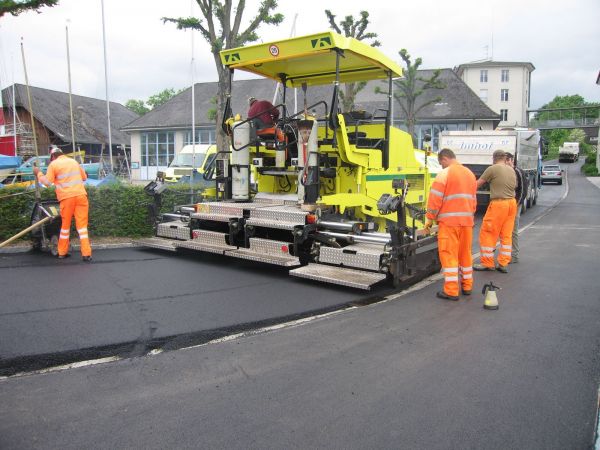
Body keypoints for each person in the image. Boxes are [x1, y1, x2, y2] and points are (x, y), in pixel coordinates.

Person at [425, 148, 477, 301]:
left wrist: (429, 218)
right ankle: (467, 286)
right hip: (467, 222)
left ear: (445, 158)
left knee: (449, 255)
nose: (441, 166)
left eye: (441, 163)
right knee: (465, 254)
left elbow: (435, 198)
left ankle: (451, 291)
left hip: (449, 224)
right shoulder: (470, 174)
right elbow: (473, 201)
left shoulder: (445, 174)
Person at [33, 146, 92, 261]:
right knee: (82, 227)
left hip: (67, 198)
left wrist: (38, 173)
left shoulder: (54, 164)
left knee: (65, 226)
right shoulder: (74, 162)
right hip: (81, 196)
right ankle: (86, 254)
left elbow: (47, 183)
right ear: (62, 153)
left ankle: (62, 252)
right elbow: (84, 177)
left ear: (53, 156)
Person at [474, 150, 516, 273]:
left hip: (499, 204)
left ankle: (487, 263)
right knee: (506, 234)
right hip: (511, 203)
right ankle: (503, 263)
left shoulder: (492, 169)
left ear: (494, 158)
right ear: (504, 158)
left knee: (488, 233)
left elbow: (477, 185)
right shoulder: (511, 170)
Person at [505, 152, 528, 263]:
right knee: (504, 230)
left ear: (512, 160)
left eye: (507, 160)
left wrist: (516, 204)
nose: (506, 162)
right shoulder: (503, 172)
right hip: (505, 205)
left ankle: (514, 255)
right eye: (504, 160)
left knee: (513, 230)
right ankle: (505, 254)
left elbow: (523, 190)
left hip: (515, 204)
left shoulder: (518, 171)